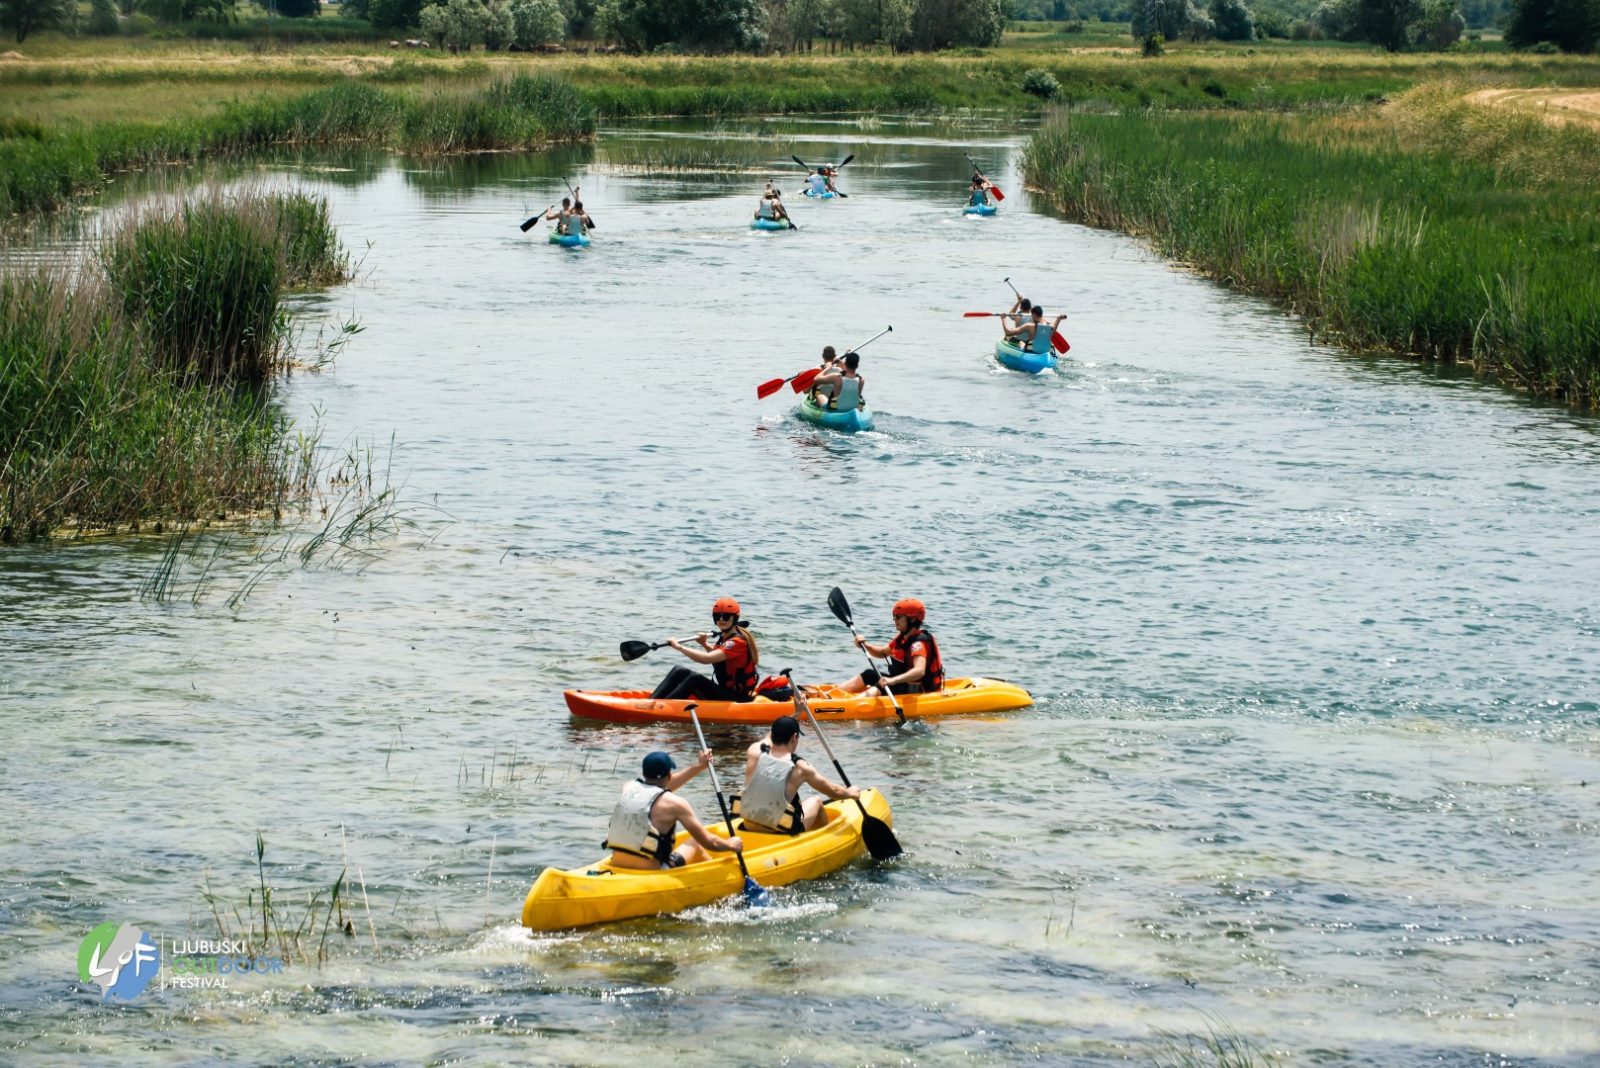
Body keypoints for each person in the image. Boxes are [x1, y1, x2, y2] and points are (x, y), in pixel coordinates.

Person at [606, 750, 744, 870]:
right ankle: (717, 877)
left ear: (644, 772)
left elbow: (657, 789)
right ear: (669, 776)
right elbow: (709, 842)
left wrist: (699, 767)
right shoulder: (676, 804)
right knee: (695, 843)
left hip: (617, 863)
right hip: (653, 870)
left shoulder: (628, 788)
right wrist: (731, 844)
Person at [737, 714, 858, 835]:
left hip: (748, 824)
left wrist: (797, 712)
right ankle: (821, 840)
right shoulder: (801, 768)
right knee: (816, 801)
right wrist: (851, 793)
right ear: (795, 737)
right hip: (778, 829)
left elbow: (773, 733)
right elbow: (834, 792)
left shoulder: (754, 751)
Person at [650, 597, 761, 702]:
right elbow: (719, 658)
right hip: (726, 692)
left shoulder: (737, 642)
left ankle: (661, 708)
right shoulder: (725, 637)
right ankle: (651, 702)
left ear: (735, 618)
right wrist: (704, 644)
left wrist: (679, 647)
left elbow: (706, 659)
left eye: (726, 616)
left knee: (695, 678)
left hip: (737, 698)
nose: (721, 619)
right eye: (718, 616)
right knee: (679, 671)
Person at [839, 597, 945, 696]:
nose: (895, 619)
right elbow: (882, 652)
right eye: (894, 616)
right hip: (901, 685)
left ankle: (852, 703)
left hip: (915, 691)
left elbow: (919, 671)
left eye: (898, 616)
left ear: (912, 619)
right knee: (869, 674)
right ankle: (832, 694)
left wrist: (892, 680)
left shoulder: (918, 644)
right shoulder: (902, 638)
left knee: (881, 685)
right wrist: (865, 645)